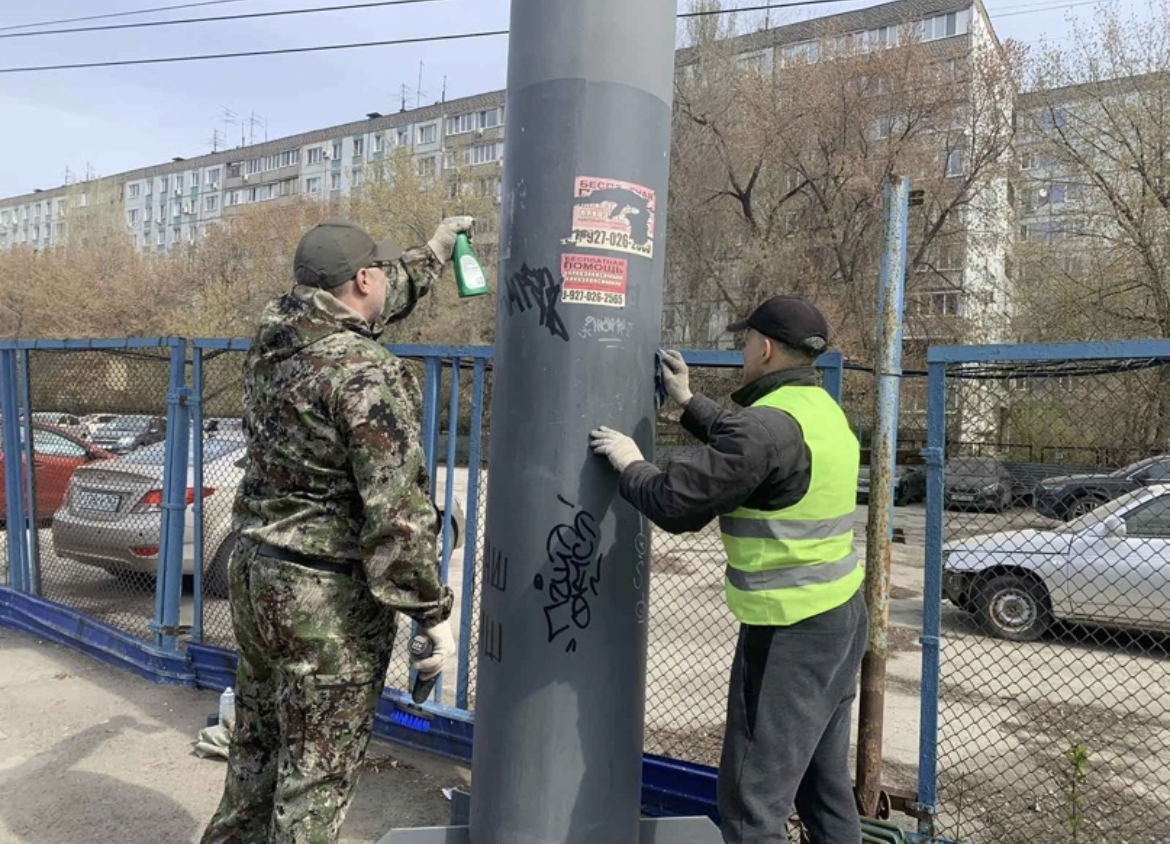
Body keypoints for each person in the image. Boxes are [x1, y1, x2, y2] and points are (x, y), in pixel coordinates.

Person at [200, 215, 473, 844]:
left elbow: (369, 303)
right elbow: (397, 512)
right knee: (314, 780)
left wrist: (431, 256)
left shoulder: (273, 342)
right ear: (363, 279)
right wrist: (430, 612)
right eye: (379, 271)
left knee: (256, 754)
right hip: (325, 605)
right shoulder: (367, 372)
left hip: (257, 575)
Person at [589, 295, 868, 844]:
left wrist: (629, 462)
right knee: (822, 786)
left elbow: (676, 503)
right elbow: (752, 448)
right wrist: (687, 400)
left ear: (764, 348)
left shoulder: (765, 427)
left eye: (746, 341)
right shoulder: (820, 410)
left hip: (789, 631)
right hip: (839, 619)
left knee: (750, 805)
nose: (742, 350)